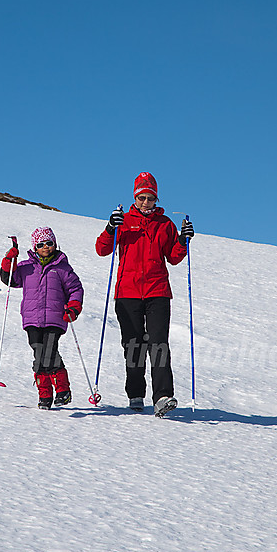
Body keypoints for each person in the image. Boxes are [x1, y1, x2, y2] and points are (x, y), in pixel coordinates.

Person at [95, 172, 194, 417]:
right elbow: (101, 249)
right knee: (133, 345)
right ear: (135, 197)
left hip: (157, 291)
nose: (146, 203)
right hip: (127, 293)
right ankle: (135, 393)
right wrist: (110, 227)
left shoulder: (165, 224)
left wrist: (183, 240)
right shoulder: (123, 221)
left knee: (159, 343)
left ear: (156, 199)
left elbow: (173, 257)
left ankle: (162, 396)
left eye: (150, 198)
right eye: (141, 197)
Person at [1, 227, 84, 410]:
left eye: (49, 243)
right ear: (35, 247)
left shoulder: (62, 267)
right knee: (39, 352)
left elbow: (75, 289)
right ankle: (44, 395)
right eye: (41, 244)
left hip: (55, 317)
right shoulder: (25, 267)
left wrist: (73, 307)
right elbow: (9, 280)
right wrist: (9, 259)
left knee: (49, 351)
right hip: (31, 318)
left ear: (54, 244)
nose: (45, 247)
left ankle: (63, 390)